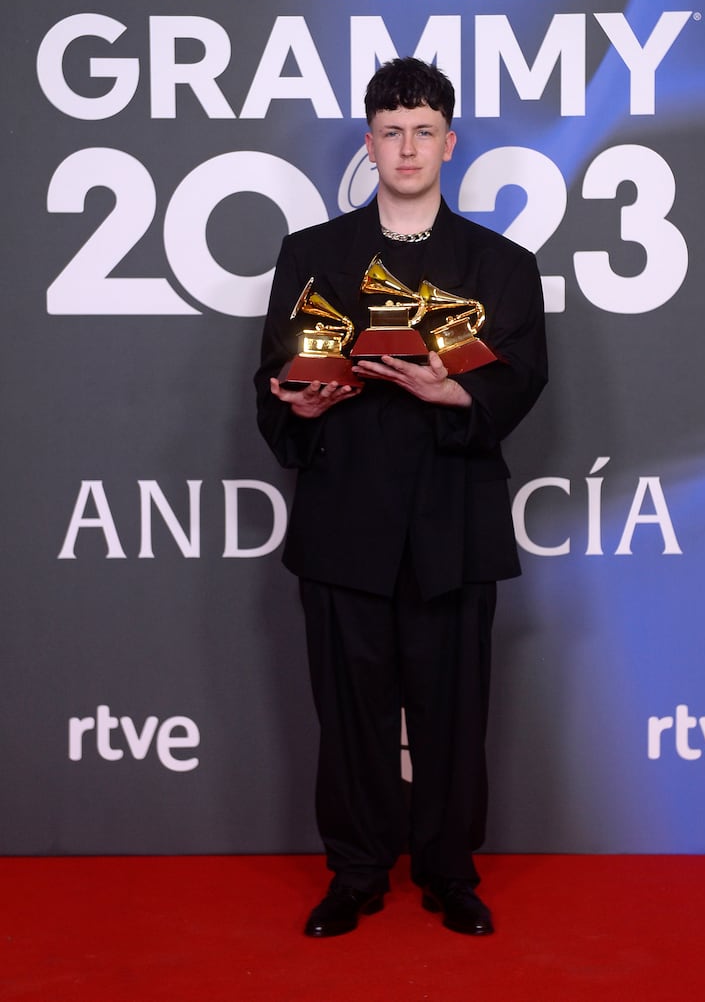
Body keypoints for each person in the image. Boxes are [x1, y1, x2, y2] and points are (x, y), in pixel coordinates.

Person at [255, 57, 547, 938]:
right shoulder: (312, 255)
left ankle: (450, 872)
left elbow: (526, 376)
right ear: (369, 143)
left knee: (454, 709)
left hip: (451, 516)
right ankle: (355, 871)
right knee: (349, 713)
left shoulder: (501, 263)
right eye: (391, 130)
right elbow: (271, 377)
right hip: (343, 513)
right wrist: (300, 401)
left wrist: (458, 393)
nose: (407, 146)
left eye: (424, 131)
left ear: (449, 144)